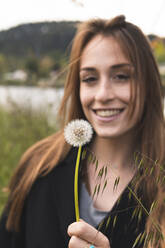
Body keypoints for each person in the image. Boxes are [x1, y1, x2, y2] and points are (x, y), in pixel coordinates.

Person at [0, 15, 165, 248]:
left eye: (121, 76)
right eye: (89, 79)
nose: (103, 94)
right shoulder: (38, 166)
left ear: (148, 84)